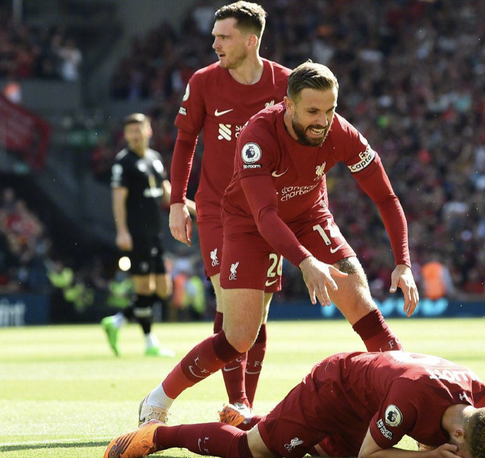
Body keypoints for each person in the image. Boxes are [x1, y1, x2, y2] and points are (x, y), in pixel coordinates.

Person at [138, 61, 418, 426]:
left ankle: (413, 395)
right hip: (248, 223)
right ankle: (157, 400)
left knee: (358, 299)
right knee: (239, 336)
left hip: (310, 217)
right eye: (313, 111)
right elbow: (265, 216)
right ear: (288, 105)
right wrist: (305, 262)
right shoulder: (257, 136)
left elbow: (386, 197)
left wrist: (403, 262)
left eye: (330, 110)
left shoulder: (341, 132)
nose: (323, 121)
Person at [167, 1, 290, 414]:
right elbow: (185, 142)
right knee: (230, 301)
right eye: (214, 36)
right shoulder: (203, 82)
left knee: (258, 312)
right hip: (217, 209)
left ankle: (245, 405)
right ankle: (237, 402)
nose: (215, 43)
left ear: (251, 40)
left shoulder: (285, 84)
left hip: (265, 213)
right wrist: (176, 201)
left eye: (224, 36)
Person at [105, 351, 485, 458]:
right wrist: (429, 457)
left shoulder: (479, 397)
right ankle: (159, 436)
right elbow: (369, 455)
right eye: (468, 456)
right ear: (458, 434)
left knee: (324, 452)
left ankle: (253, 420)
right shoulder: (409, 400)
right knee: (258, 451)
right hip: (333, 389)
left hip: (367, 401)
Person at [101, 113, 195, 357]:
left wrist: (193, 208)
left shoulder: (154, 159)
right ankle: (149, 342)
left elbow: (166, 192)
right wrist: (122, 232)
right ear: (125, 135)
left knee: (163, 290)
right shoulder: (124, 163)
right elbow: (118, 200)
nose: (135, 135)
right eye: (130, 131)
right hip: (136, 234)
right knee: (144, 288)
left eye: (138, 129)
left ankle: (118, 321)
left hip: (155, 233)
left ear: (148, 131)